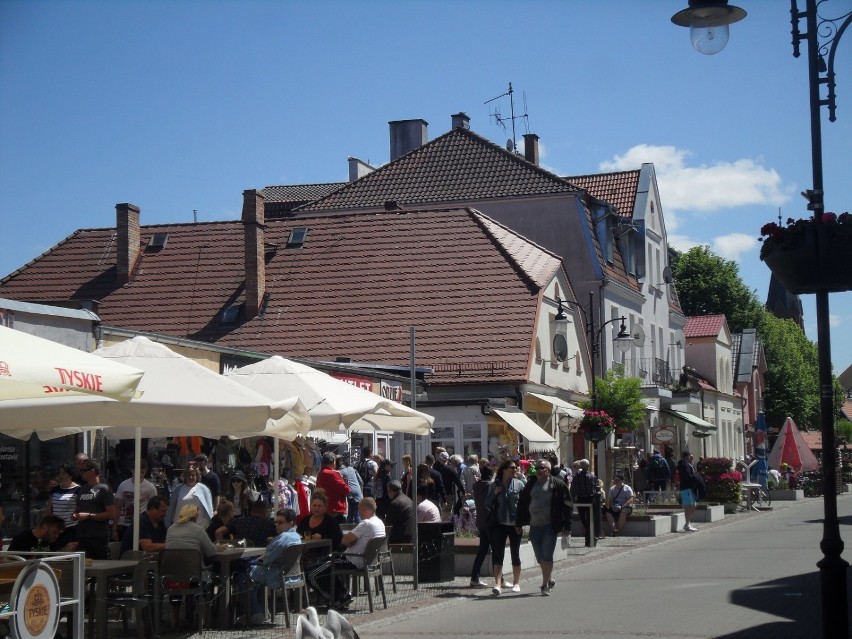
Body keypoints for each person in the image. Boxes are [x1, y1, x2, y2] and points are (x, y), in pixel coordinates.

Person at [306, 497, 385, 610]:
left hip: (353, 560)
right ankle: (342, 595)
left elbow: (345, 541)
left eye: (359, 508)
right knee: (322, 563)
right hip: (365, 560)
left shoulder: (366, 524)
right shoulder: (380, 523)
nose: (358, 511)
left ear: (365, 509)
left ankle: (335, 600)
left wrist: (351, 541)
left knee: (310, 573)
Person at [515, 459, 572, 596]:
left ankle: (545, 584)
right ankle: (550, 579)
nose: (538, 471)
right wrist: (519, 523)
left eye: (541, 468)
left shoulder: (558, 484)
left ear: (548, 470)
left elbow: (568, 506)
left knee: (547, 556)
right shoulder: (532, 483)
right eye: (536, 468)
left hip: (550, 526)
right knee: (540, 557)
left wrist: (567, 526)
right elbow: (522, 503)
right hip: (535, 525)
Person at [165, 504, 218, 629]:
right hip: (194, 576)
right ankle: (200, 619)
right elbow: (211, 551)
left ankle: (175, 619)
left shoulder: (171, 529)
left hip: (171, 576)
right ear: (196, 516)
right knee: (197, 578)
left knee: (180, 578)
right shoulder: (198, 530)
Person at [486, 459, 524, 596]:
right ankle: (497, 584)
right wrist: (495, 493)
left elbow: (523, 505)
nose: (515, 470)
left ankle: (516, 582)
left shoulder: (519, 484)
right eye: (512, 467)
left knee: (515, 553)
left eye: (516, 468)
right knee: (498, 554)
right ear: (504, 469)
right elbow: (487, 503)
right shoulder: (494, 485)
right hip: (499, 524)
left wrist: (522, 523)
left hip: (515, 525)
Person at [72, 459, 115, 559]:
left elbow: (111, 514)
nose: (80, 473)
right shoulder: (82, 489)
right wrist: (75, 514)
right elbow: (78, 508)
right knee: (82, 565)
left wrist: (89, 516)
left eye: (83, 470)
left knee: (100, 563)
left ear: (92, 471)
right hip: (82, 535)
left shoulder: (104, 489)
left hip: (98, 536)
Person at [113, 459, 158, 542]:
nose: (140, 475)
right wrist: (114, 529)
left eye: (142, 472)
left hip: (143, 524)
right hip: (127, 524)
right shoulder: (123, 485)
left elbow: (154, 509)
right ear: (132, 470)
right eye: (137, 471)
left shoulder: (150, 487)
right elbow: (117, 508)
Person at [295, 490, 343, 565]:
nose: (316, 508)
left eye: (319, 506)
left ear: (325, 507)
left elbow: (338, 537)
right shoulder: (305, 520)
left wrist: (322, 537)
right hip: (305, 554)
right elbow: (298, 534)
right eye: (314, 505)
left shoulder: (331, 521)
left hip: (325, 556)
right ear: (310, 506)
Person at [469, 465, 493, 588]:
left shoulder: (476, 486)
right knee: (496, 550)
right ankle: (500, 578)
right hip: (490, 521)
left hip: (481, 521)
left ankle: (475, 577)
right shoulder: (490, 486)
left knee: (482, 550)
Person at [47, 462, 79, 551]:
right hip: (55, 528)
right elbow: (49, 507)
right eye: (59, 473)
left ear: (70, 474)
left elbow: (79, 508)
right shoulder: (55, 490)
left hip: (70, 528)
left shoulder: (78, 490)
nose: (61, 475)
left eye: (64, 473)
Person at [569, 459, 599, 546]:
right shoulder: (592, 477)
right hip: (590, 499)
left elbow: (572, 490)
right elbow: (594, 489)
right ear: (588, 467)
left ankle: (589, 538)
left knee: (584, 520)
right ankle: (591, 537)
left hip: (581, 500)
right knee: (590, 520)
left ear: (580, 467)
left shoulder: (576, 477)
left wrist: (573, 499)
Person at [315, 452, 350, 523]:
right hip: (334, 510)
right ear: (333, 461)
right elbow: (346, 489)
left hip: (326, 509)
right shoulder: (332, 474)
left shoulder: (321, 473)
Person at [9, 514, 74, 552]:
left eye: (58, 533)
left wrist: (64, 550)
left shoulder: (50, 542)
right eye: (54, 532)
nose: (56, 536)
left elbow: (54, 559)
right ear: (44, 528)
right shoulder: (21, 539)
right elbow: (9, 561)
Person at [677, 451, 705, 532]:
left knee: (692, 505)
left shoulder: (689, 464)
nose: (692, 457)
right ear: (687, 456)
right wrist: (696, 478)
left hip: (689, 488)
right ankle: (687, 524)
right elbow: (688, 476)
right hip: (687, 488)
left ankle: (687, 523)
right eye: (690, 456)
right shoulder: (685, 465)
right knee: (690, 505)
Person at [336, 455, 363, 525]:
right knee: (353, 514)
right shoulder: (352, 469)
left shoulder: (338, 472)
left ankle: (357, 532)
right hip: (358, 494)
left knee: (355, 515)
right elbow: (361, 482)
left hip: (350, 494)